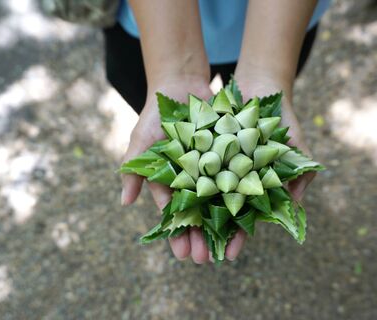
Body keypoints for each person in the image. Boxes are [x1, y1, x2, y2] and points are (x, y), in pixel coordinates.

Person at [104, 0, 331, 264]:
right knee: (133, 82)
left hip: (281, 22)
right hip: (153, 24)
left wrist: (268, 69)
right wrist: (173, 69)